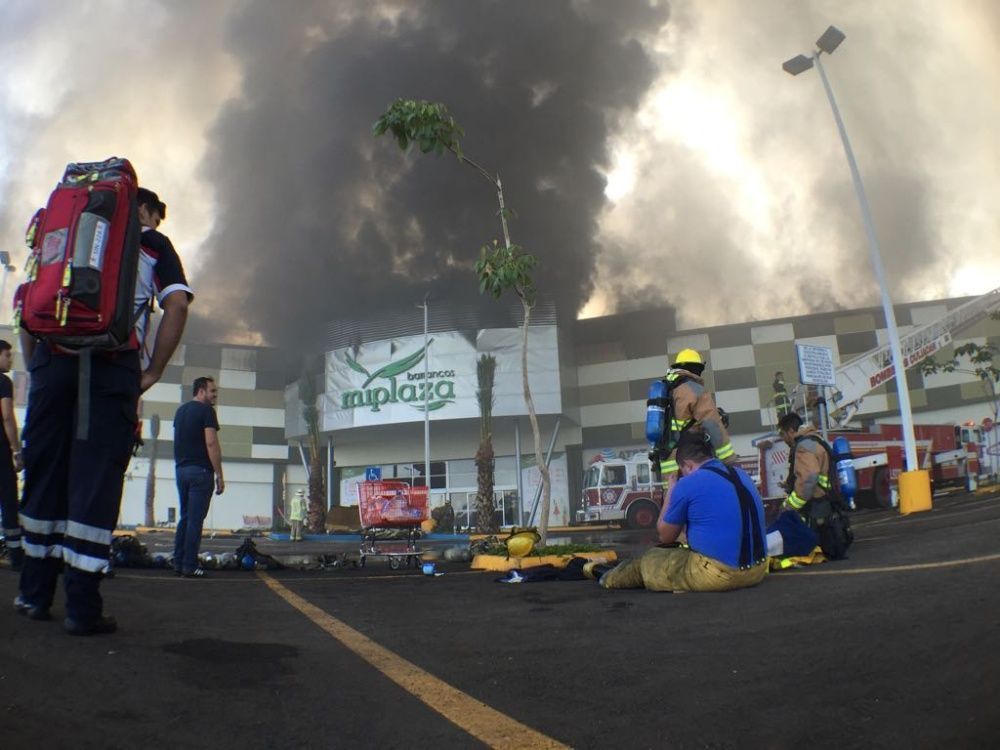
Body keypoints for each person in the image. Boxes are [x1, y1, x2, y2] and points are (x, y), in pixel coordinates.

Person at [16, 186, 192, 635]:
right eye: (155, 215)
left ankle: (33, 595)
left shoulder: (63, 229)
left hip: (52, 362)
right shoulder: (150, 242)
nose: (155, 224)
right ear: (145, 209)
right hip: (111, 368)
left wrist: (40, 367)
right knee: (94, 484)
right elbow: (175, 303)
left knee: (44, 476)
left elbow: (26, 307)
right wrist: (152, 370)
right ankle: (81, 609)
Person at [599, 430, 768, 592]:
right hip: (758, 571)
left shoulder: (688, 483)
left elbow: (665, 536)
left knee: (649, 561)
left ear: (687, 465)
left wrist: (671, 491)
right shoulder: (740, 474)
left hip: (719, 575)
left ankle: (605, 579)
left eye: (681, 470)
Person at [656, 349, 735, 500]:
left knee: (674, 508)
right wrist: (729, 460)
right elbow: (713, 425)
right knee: (700, 505)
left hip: (668, 463)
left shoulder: (668, 390)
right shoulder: (694, 389)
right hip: (691, 461)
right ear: (697, 368)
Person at [172, 377, 224, 576]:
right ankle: (190, 565)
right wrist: (219, 474)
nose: (215, 396)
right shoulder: (207, 411)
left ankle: (178, 562)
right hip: (200, 472)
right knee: (195, 520)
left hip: (181, 470)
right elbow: (211, 444)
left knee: (185, 517)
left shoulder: (180, 411)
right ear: (201, 391)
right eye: (212, 391)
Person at [776, 412, 831, 520]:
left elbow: (808, 478)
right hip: (823, 503)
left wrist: (788, 506)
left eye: (783, 434)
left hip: (815, 508)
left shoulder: (803, 447)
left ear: (791, 431)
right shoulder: (813, 439)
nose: (783, 439)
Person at [0, 340, 24, 571]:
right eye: (7, 355)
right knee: (8, 501)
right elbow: (7, 416)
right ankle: (16, 554)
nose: (10, 360)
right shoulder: (3, 381)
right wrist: (16, 450)